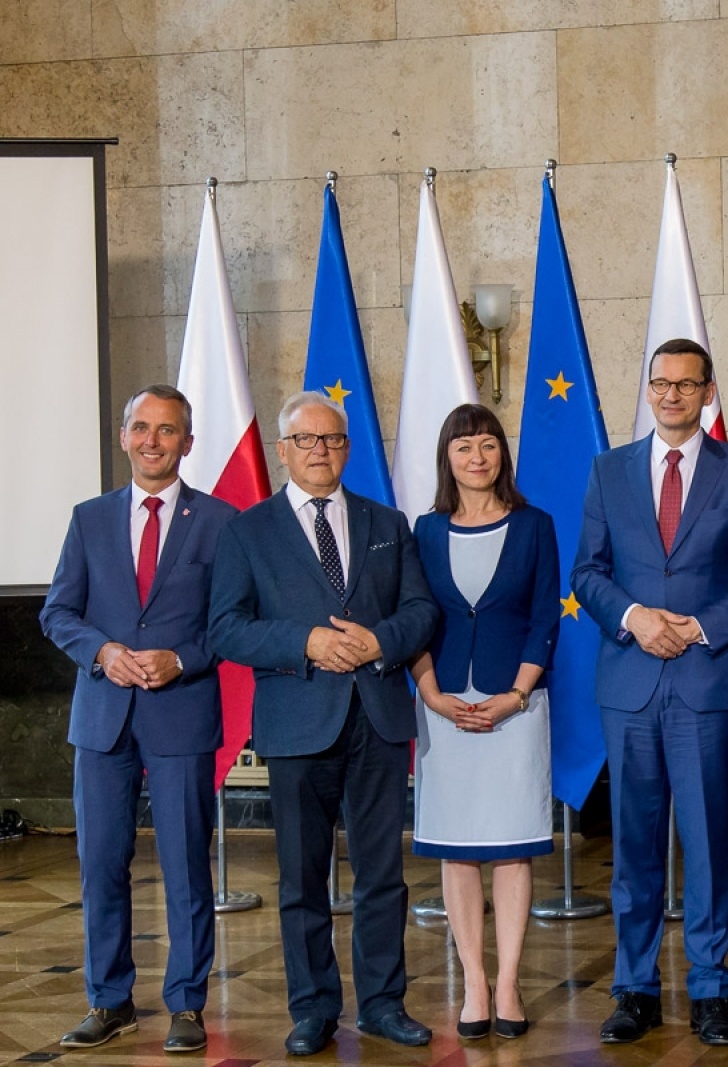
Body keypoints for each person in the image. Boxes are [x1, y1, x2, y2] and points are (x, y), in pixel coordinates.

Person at [208, 391, 439, 1057]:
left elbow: (422, 611)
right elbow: (225, 628)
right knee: (301, 877)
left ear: (347, 447)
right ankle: (312, 1008)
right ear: (283, 450)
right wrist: (305, 641)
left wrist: (379, 642)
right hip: (296, 719)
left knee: (381, 874)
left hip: (378, 716)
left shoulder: (387, 521)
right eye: (306, 440)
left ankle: (383, 1004)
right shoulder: (247, 531)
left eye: (332, 439)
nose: (320, 450)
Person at [571, 338, 728, 1047]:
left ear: (707, 392)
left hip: (706, 682)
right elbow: (589, 573)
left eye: (686, 385)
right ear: (648, 388)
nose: (671, 395)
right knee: (632, 844)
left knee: (709, 842)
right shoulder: (609, 470)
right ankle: (634, 987)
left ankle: (709, 987)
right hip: (629, 682)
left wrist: (696, 626)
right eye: (660, 383)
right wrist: (635, 618)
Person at [40, 385, 237, 1055]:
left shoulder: (219, 521)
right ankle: (110, 998)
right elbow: (58, 611)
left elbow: (231, 624)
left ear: (187, 441)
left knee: (185, 862)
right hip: (102, 719)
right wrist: (101, 651)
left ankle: (186, 1002)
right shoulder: (89, 518)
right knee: (101, 862)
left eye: (168, 429)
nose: (154, 440)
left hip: (181, 715)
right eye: (142, 428)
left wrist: (181, 658)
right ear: (123, 436)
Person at [410, 403, 560, 1041]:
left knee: (511, 845)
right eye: (464, 447)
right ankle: (473, 981)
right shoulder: (424, 528)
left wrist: (517, 695)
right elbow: (413, 615)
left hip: (515, 707)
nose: (477, 457)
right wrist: (430, 692)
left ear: (503, 454)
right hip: (443, 705)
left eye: (489, 445)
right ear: (447, 457)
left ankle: (508, 984)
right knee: (459, 849)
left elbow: (544, 619)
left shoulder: (534, 525)